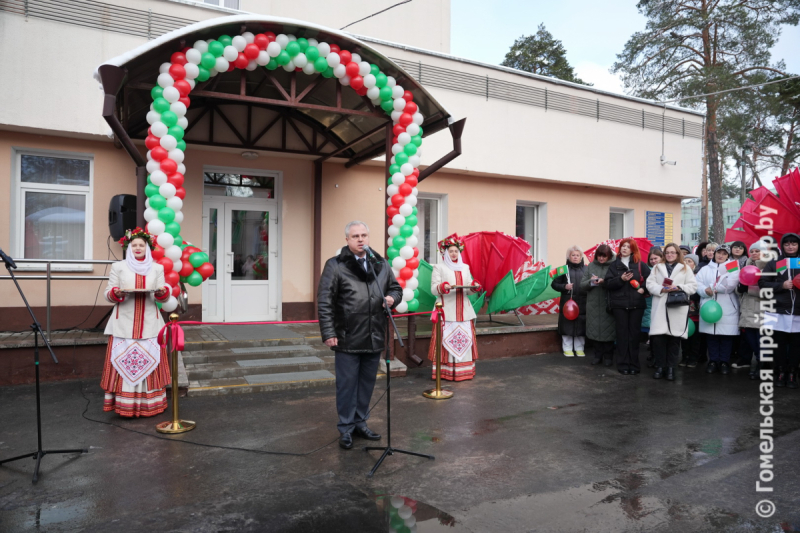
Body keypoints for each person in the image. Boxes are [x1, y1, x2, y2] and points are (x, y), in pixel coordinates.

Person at [317, 221, 403, 450]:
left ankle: (360, 423)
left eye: (364, 235)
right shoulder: (335, 265)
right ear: (347, 239)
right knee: (346, 385)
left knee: (366, 383)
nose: (361, 239)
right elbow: (325, 301)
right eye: (355, 236)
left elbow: (396, 288)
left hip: (374, 335)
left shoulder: (381, 264)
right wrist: (328, 332)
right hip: (346, 336)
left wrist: (393, 298)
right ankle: (345, 428)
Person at [101, 228, 172, 417]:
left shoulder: (157, 268)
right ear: (128, 248)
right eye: (134, 245)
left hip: (150, 324)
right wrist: (117, 293)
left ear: (147, 248)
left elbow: (164, 295)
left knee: (150, 363)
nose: (138, 248)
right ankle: (125, 406)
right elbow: (108, 294)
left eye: (142, 245)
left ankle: (151, 405)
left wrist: (162, 292)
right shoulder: (119, 267)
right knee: (123, 361)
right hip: (123, 324)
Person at [429, 234, 482, 380]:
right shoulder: (439, 268)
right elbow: (433, 289)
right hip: (446, 312)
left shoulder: (465, 267)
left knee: (464, 340)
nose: (453, 254)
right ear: (445, 253)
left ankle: (463, 372)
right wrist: (443, 286)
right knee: (446, 341)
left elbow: (468, 289)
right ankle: (446, 373)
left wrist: (474, 287)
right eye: (450, 251)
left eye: (456, 251)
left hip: (464, 312)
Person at [646, 243, 698, 381]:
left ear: (677, 254)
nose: (670, 255)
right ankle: (660, 367)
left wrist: (678, 287)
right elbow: (649, 284)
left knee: (674, 341)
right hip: (661, 307)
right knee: (658, 340)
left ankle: (670, 369)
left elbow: (693, 287)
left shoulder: (685, 268)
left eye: (673, 252)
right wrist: (661, 289)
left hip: (677, 308)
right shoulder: (657, 268)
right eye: (667, 252)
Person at [758, 233, 800, 389]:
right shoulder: (775, 263)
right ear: (782, 246)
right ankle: (781, 372)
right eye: (787, 244)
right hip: (777, 311)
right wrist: (781, 286)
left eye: (794, 244)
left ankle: (792, 374)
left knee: (796, 345)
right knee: (779, 344)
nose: (790, 246)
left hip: (798, 312)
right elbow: (762, 282)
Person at [605, 238, 651, 375]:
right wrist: (621, 279)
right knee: (622, 335)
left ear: (633, 250)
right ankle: (623, 364)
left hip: (637, 305)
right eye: (622, 246)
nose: (624, 248)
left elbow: (650, 281)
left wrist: (643, 289)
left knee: (634, 336)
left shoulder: (640, 265)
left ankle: (634, 365)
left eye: (628, 246)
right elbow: (607, 284)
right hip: (619, 305)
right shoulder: (614, 265)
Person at [696, 244, 740, 374]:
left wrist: (711, 288)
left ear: (728, 256)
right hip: (708, 306)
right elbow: (697, 283)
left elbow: (730, 284)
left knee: (726, 336)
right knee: (711, 336)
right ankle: (713, 361)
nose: (720, 256)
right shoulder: (705, 269)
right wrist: (704, 290)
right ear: (714, 254)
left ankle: (724, 361)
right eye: (718, 253)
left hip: (727, 306)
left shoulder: (732, 266)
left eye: (724, 254)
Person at [580, 244, 616, 366]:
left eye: (604, 256)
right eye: (599, 256)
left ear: (609, 256)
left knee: (609, 332)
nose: (601, 258)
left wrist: (604, 282)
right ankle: (597, 355)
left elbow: (617, 282)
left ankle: (608, 357)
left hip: (608, 303)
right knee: (595, 331)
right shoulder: (591, 266)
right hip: (593, 304)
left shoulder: (615, 265)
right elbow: (582, 285)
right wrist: (591, 282)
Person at [737, 241, 768, 379]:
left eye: (757, 251)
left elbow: (771, 290)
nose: (754, 253)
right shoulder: (746, 265)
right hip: (748, 309)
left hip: (762, 310)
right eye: (752, 251)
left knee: (761, 341)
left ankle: (763, 366)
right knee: (752, 341)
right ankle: (759, 362)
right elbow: (739, 288)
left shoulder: (769, 266)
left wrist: (749, 288)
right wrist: (740, 288)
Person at [552, 246, 587, 357]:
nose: (575, 257)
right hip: (567, 302)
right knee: (567, 325)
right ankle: (567, 348)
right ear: (569, 256)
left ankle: (579, 348)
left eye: (577, 255)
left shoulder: (586, 270)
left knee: (581, 326)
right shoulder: (563, 269)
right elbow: (554, 284)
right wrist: (564, 286)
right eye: (573, 255)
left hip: (582, 302)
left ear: (581, 257)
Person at [680, 253, 703, 368]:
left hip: (695, 314)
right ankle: (684, 357)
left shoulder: (698, 276)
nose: (687, 263)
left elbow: (698, 293)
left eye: (690, 261)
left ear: (695, 264)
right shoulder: (680, 275)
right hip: (682, 313)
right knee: (684, 338)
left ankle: (693, 358)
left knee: (695, 339)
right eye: (685, 261)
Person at [643, 248, 663, 368]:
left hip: (660, 304)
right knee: (652, 334)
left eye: (656, 258)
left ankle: (657, 357)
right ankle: (653, 354)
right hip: (649, 304)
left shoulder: (665, 270)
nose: (653, 261)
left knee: (658, 334)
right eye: (651, 259)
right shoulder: (647, 270)